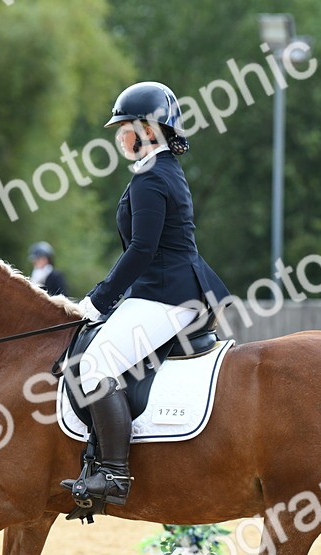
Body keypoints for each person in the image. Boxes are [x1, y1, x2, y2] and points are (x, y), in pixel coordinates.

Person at [62, 81, 231, 509]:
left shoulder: (151, 177)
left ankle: (114, 475)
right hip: (168, 289)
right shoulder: (160, 170)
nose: (120, 137)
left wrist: (99, 299)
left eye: (126, 129)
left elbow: (142, 250)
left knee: (93, 367)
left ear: (149, 130)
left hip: (167, 295)